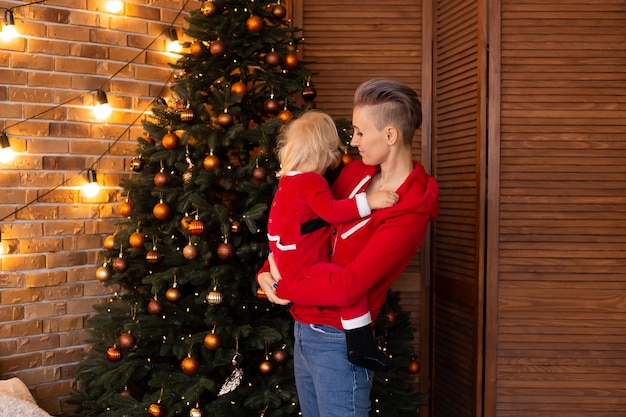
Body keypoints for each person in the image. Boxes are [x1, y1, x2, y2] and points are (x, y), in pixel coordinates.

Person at [257, 77, 439, 417]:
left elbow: (349, 287)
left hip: (338, 343)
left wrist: (289, 286)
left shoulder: (409, 210)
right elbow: (305, 228)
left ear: (389, 135)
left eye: (359, 132)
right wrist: (268, 271)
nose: (352, 142)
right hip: (304, 329)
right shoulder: (355, 173)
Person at [261, 109, 399, 372]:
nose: (332, 164)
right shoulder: (310, 181)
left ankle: (361, 347)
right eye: (330, 156)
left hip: (288, 262)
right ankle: (362, 347)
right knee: (350, 290)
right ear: (321, 152)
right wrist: (370, 202)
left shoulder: (287, 183)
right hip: (305, 266)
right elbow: (332, 211)